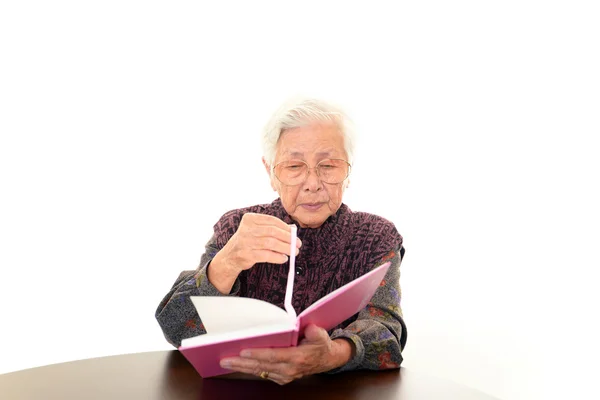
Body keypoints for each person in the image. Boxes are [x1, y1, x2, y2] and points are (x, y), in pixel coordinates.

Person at [155, 97, 407, 385]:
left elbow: (388, 336)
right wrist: (228, 262)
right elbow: (177, 330)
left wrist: (334, 353)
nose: (312, 183)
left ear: (347, 172)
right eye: (294, 166)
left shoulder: (376, 237)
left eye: (328, 165)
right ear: (270, 173)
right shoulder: (238, 227)